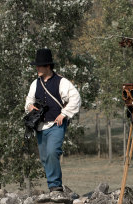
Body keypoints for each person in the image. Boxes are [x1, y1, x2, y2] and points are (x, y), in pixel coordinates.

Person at [25, 48, 81, 192]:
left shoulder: (62, 82)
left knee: (52, 152)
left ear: (48, 66)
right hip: (40, 126)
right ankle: (53, 186)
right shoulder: (34, 84)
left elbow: (76, 98)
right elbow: (28, 101)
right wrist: (30, 106)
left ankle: (55, 186)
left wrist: (64, 114)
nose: (37, 68)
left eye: (39, 65)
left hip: (56, 125)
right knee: (44, 157)